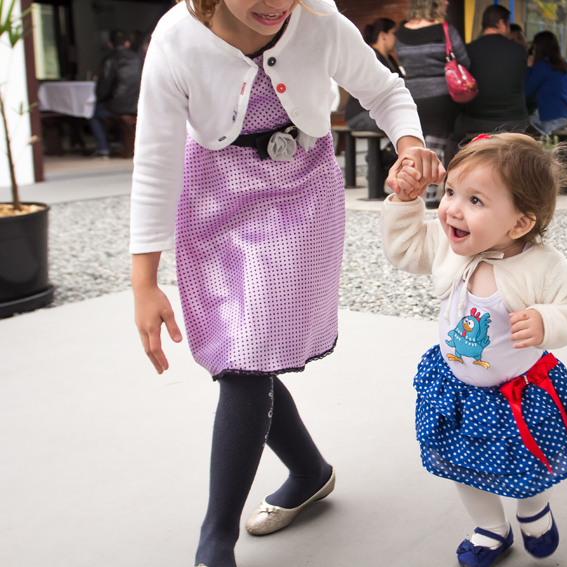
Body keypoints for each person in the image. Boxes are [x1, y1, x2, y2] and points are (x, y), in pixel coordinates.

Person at [128, 1, 444, 566]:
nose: (276, 3)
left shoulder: (319, 21)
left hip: (300, 196)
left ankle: (214, 543)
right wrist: (144, 280)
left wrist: (411, 146)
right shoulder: (176, 39)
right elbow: (155, 159)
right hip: (212, 203)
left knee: (248, 358)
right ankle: (310, 472)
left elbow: (386, 92)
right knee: (242, 354)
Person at [381, 133, 567, 567]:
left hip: (516, 395)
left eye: (475, 200)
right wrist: (406, 203)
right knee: (462, 464)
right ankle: (491, 528)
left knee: (529, 461)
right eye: (449, 192)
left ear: (519, 224)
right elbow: (403, 250)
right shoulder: (449, 244)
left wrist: (546, 321)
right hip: (459, 390)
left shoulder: (542, 265)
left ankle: (532, 510)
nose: (452, 209)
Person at [395, 0, 469, 206]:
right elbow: (463, 59)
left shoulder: (402, 32)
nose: (447, 2)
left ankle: (416, 190)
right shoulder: (444, 29)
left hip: (412, 95)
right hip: (440, 95)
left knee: (419, 144)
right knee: (436, 145)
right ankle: (430, 195)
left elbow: (402, 60)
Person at [455, 4, 529, 136]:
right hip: (514, 122)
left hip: (476, 121)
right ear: (501, 23)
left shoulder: (467, 50)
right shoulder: (518, 50)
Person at [344, 17, 404, 132]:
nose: (397, 38)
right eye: (394, 33)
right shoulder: (372, 56)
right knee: (400, 125)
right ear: (383, 35)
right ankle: (389, 150)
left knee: (406, 122)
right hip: (360, 114)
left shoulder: (390, 59)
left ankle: (390, 150)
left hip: (374, 112)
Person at [89, 30, 142, 157]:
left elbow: (104, 87)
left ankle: (103, 149)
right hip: (139, 104)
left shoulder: (110, 59)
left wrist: (99, 98)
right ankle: (121, 143)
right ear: (127, 43)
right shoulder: (139, 58)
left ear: (110, 44)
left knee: (94, 115)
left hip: (118, 106)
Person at [525, 31, 567, 137]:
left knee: (521, 123)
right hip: (564, 117)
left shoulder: (542, 66)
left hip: (549, 120)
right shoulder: (563, 65)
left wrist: (529, 68)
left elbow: (527, 91)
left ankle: (530, 152)